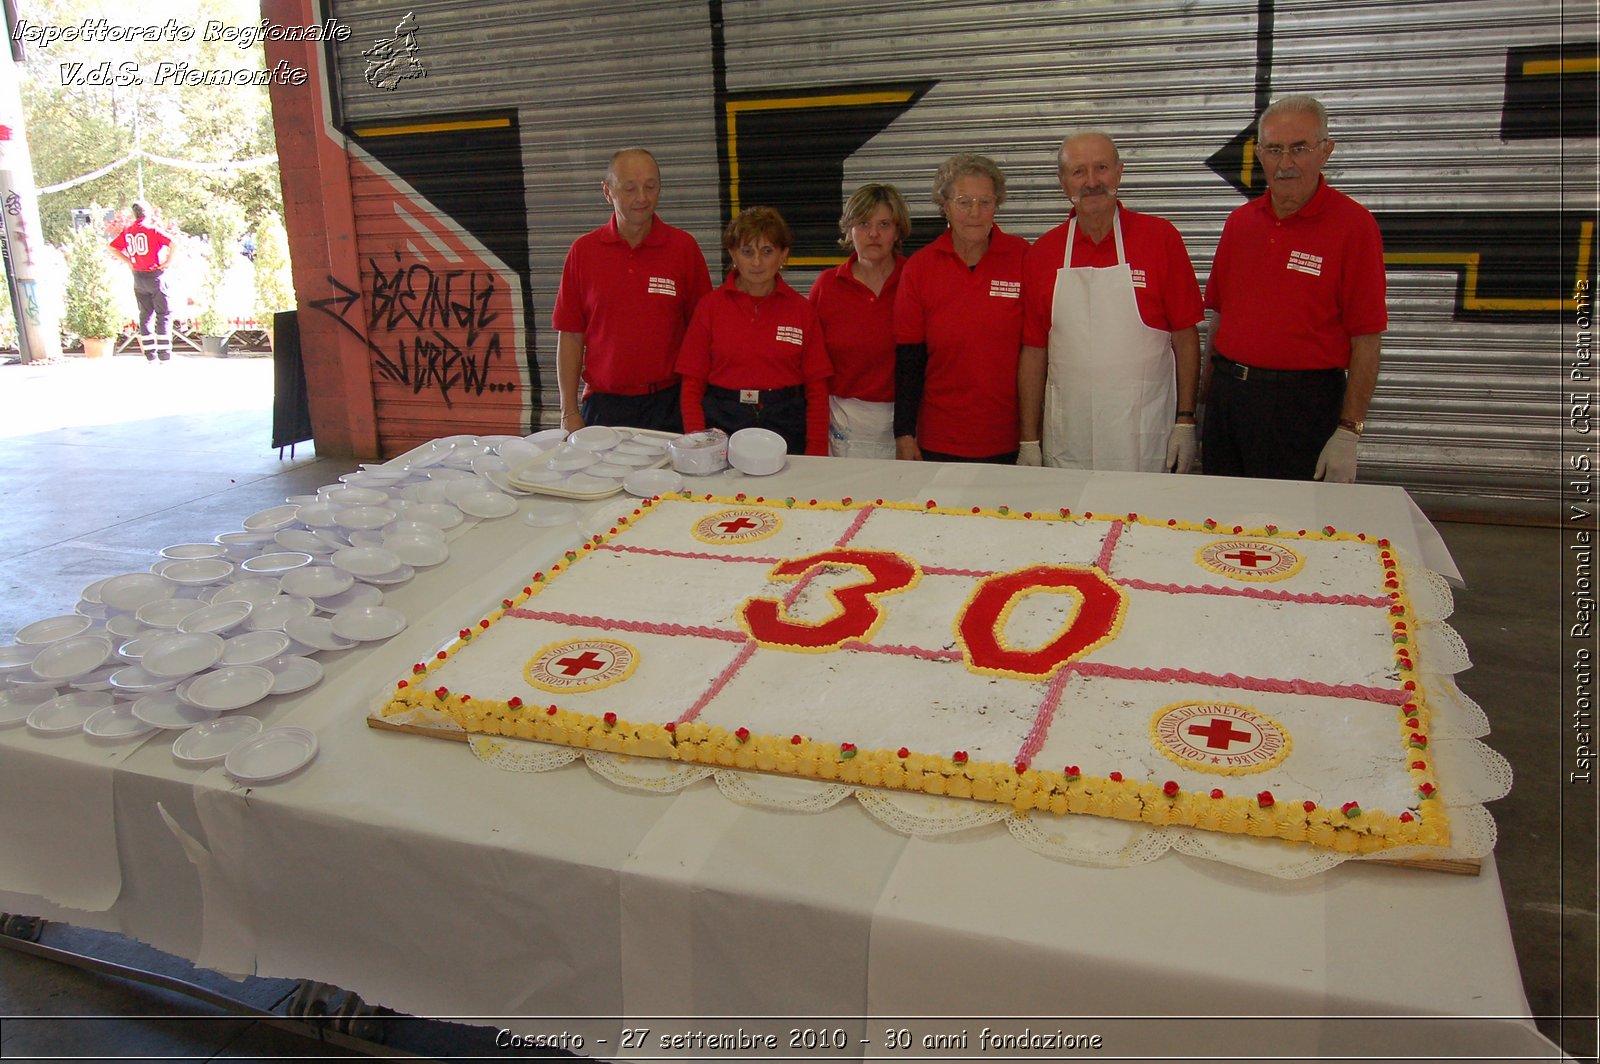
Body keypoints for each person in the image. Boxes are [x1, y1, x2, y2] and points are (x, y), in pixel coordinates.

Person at [1202, 95, 1387, 482]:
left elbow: (1367, 339)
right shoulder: (1240, 223)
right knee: (1220, 520)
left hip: (1303, 408)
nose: (1285, 163)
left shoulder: (1354, 226)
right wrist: (1204, 402)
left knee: (1293, 531)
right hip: (1229, 401)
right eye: (1274, 150)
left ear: (1326, 151)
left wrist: (1349, 431)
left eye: (1299, 148)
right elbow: (1218, 319)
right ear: (1260, 155)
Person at [1017, 132, 1203, 473]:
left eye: (1101, 168)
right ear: (1063, 183)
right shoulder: (1042, 252)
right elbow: (1034, 350)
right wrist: (1028, 440)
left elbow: (1185, 337)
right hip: (1069, 436)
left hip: (1142, 436)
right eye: (1078, 172)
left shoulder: (1160, 238)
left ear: (1119, 173)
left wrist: (1186, 421)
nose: (1091, 182)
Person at [552, 148, 712, 434]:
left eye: (650, 187)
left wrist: (697, 408)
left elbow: (702, 334)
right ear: (607, 191)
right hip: (605, 407)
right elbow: (571, 337)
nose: (642, 198)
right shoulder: (583, 252)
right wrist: (569, 413)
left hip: (670, 405)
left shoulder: (683, 249)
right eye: (630, 188)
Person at [894, 153, 1029, 464]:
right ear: (946, 206)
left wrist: (1033, 438)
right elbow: (908, 360)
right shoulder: (920, 268)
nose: (975, 212)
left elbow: (1038, 351)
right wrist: (904, 433)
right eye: (964, 201)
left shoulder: (1023, 257)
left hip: (1009, 439)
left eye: (985, 202)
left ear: (997, 205)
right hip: (940, 439)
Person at [676, 207, 831, 456]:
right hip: (722, 424)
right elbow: (692, 386)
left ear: (783, 254)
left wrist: (816, 450)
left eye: (767, 251)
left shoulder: (802, 311)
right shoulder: (709, 308)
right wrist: (698, 442)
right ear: (732, 254)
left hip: (787, 423)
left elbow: (817, 390)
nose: (757, 262)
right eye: (747, 252)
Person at [808, 183, 910, 458]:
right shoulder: (827, 286)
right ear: (849, 229)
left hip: (906, 424)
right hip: (841, 422)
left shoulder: (916, 280)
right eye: (863, 223)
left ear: (898, 230)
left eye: (884, 224)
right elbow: (810, 365)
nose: (873, 234)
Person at [107, 201, 174, 363]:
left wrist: (128, 261)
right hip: (155, 275)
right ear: (148, 213)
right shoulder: (152, 230)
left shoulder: (128, 231)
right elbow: (173, 244)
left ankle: (150, 355)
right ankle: (164, 355)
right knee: (164, 314)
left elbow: (112, 247)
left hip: (138, 276)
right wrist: (168, 261)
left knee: (145, 316)